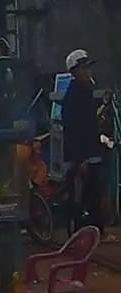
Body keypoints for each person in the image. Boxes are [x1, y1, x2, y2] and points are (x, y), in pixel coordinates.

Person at [61, 49, 105, 230]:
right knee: (81, 199)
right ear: (75, 72)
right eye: (84, 69)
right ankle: (81, 233)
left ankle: (96, 232)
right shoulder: (73, 98)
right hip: (81, 158)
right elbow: (73, 131)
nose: (88, 72)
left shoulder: (86, 93)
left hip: (91, 154)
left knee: (93, 196)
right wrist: (81, 160)